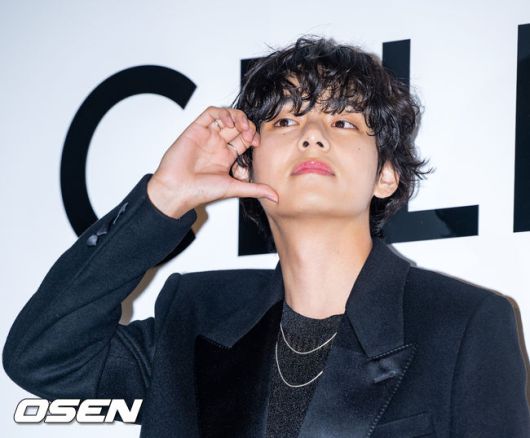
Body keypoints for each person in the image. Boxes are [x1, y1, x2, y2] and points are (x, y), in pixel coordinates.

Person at [3, 36, 529, 438]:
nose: (312, 134)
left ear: (386, 175)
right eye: (285, 120)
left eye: (344, 123)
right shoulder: (195, 316)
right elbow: (41, 358)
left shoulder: (464, 323)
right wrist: (164, 198)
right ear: (246, 165)